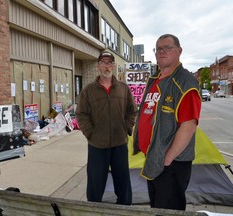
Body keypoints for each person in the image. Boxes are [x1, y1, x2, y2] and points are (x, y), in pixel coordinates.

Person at [133, 34, 201, 210]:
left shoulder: (185, 82)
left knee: (170, 210)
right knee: (157, 207)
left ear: (179, 51)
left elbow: (189, 126)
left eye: (167, 48)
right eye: (159, 49)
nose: (162, 52)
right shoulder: (155, 79)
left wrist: (167, 159)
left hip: (171, 163)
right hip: (154, 157)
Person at [76, 51, 137, 205]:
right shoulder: (88, 90)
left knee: (123, 183)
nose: (107, 66)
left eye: (110, 63)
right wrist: (90, 133)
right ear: (98, 66)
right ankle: (93, 210)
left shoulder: (123, 88)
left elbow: (132, 111)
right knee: (95, 186)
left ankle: (124, 209)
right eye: (103, 63)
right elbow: (81, 114)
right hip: (97, 146)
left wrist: (127, 129)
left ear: (114, 66)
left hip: (120, 145)